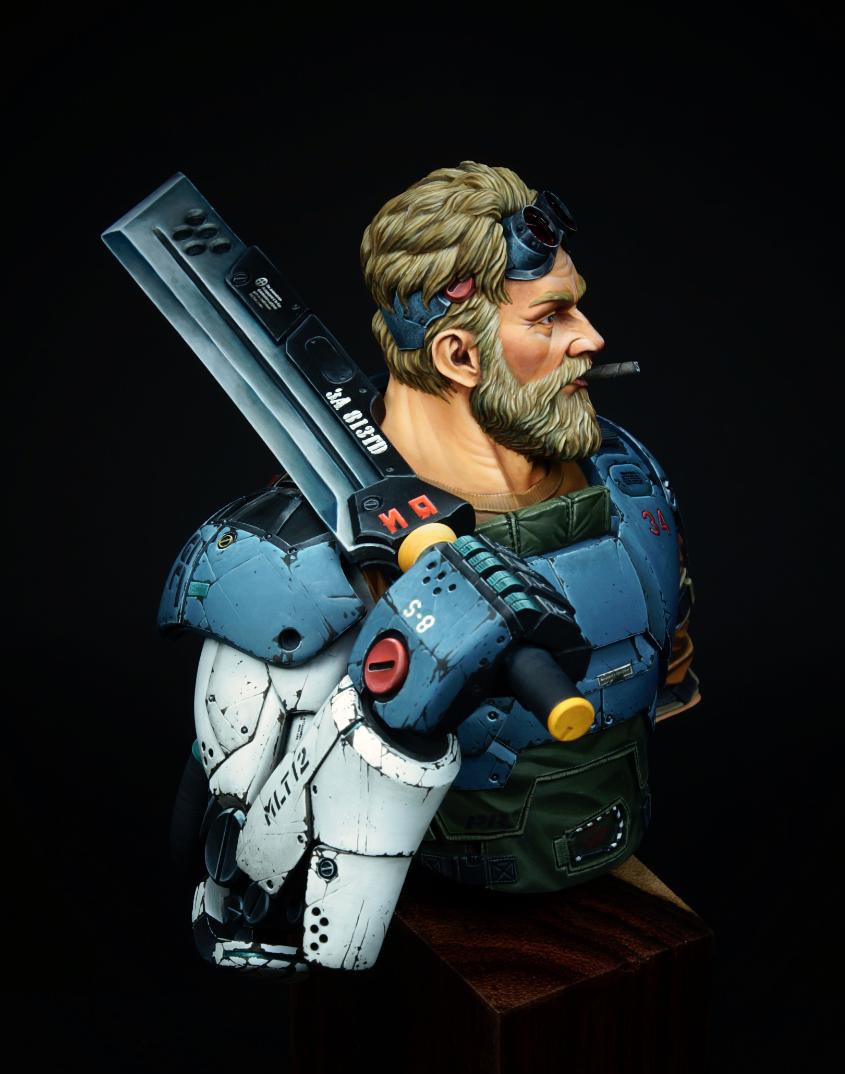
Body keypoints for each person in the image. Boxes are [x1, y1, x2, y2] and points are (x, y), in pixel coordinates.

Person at [171, 161, 698, 973]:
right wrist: (391, 712)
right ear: (457, 355)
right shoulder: (297, 559)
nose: (590, 339)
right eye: (551, 317)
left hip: (609, 870)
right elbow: (242, 843)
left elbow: (666, 678)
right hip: (437, 896)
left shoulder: (626, 480)